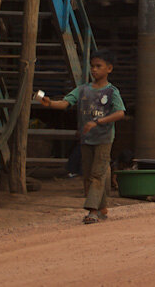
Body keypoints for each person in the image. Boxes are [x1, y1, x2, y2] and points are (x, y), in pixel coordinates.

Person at [41, 50, 126, 224]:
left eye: (98, 66)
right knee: (88, 175)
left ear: (109, 69)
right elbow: (65, 103)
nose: (94, 70)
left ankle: (92, 211)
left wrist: (98, 122)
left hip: (104, 138)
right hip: (87, 139)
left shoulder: (111, 92)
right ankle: (102, 207)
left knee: (96, 174)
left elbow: (120, 113)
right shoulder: (83, 90)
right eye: (92, 66)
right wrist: (50, 103)